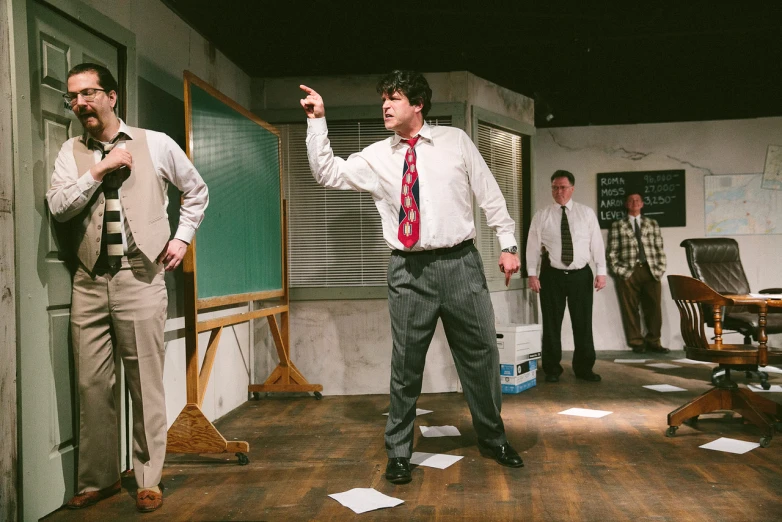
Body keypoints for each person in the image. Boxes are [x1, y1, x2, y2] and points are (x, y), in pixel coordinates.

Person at [299, 70, 524, 485]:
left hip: (461, 264)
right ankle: (399, 453)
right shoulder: (377, 156)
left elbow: (490, 194)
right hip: (408, 269)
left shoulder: (456, 142)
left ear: (418, 104)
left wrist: (508, 245)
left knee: (480, 357)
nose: (385, 105)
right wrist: (317, 120)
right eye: (384, 98)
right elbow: (327, 173)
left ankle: (493, 439)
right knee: (405, 366)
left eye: (395, 98)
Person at [47, 63, 209, 512]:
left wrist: (181, 238)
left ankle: (148, 478)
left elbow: (196, 191)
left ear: (112, 97)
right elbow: (59, 207)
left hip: (141, 276)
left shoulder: (155, 142)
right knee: (91, 384)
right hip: (90, 280)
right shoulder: (71, 152)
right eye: (73, 96)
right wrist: (99, 170)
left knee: (145, 383)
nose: (81, 103)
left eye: (89, 93)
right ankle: (99, 480)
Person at [526, 170, 606, 383]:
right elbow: (532, 247)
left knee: (583, 322)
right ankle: (552, 369)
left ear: (572, 188)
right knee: (552, 324)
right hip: (552, 276)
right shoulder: (542, 215)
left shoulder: (586, 213)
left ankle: (584, 368)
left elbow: (597, 244)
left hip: (581, 275)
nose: (558, 191)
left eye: (562, 187)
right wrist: (532, 274)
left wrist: (601, 272)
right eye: (554, 187)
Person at [607, 192, 668, 353]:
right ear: (626, 204)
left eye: (637, 200)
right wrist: (620, 271)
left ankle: (654, 341)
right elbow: (612, 252)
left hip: (650, 270)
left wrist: (660, 268)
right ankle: (636, 342)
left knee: (654, 308)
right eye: (631, 200)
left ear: (642, 204)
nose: (634, 202)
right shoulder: (618, 225)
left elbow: (659, 248)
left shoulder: (652, 224)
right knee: (630, 308)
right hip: (628, 272)